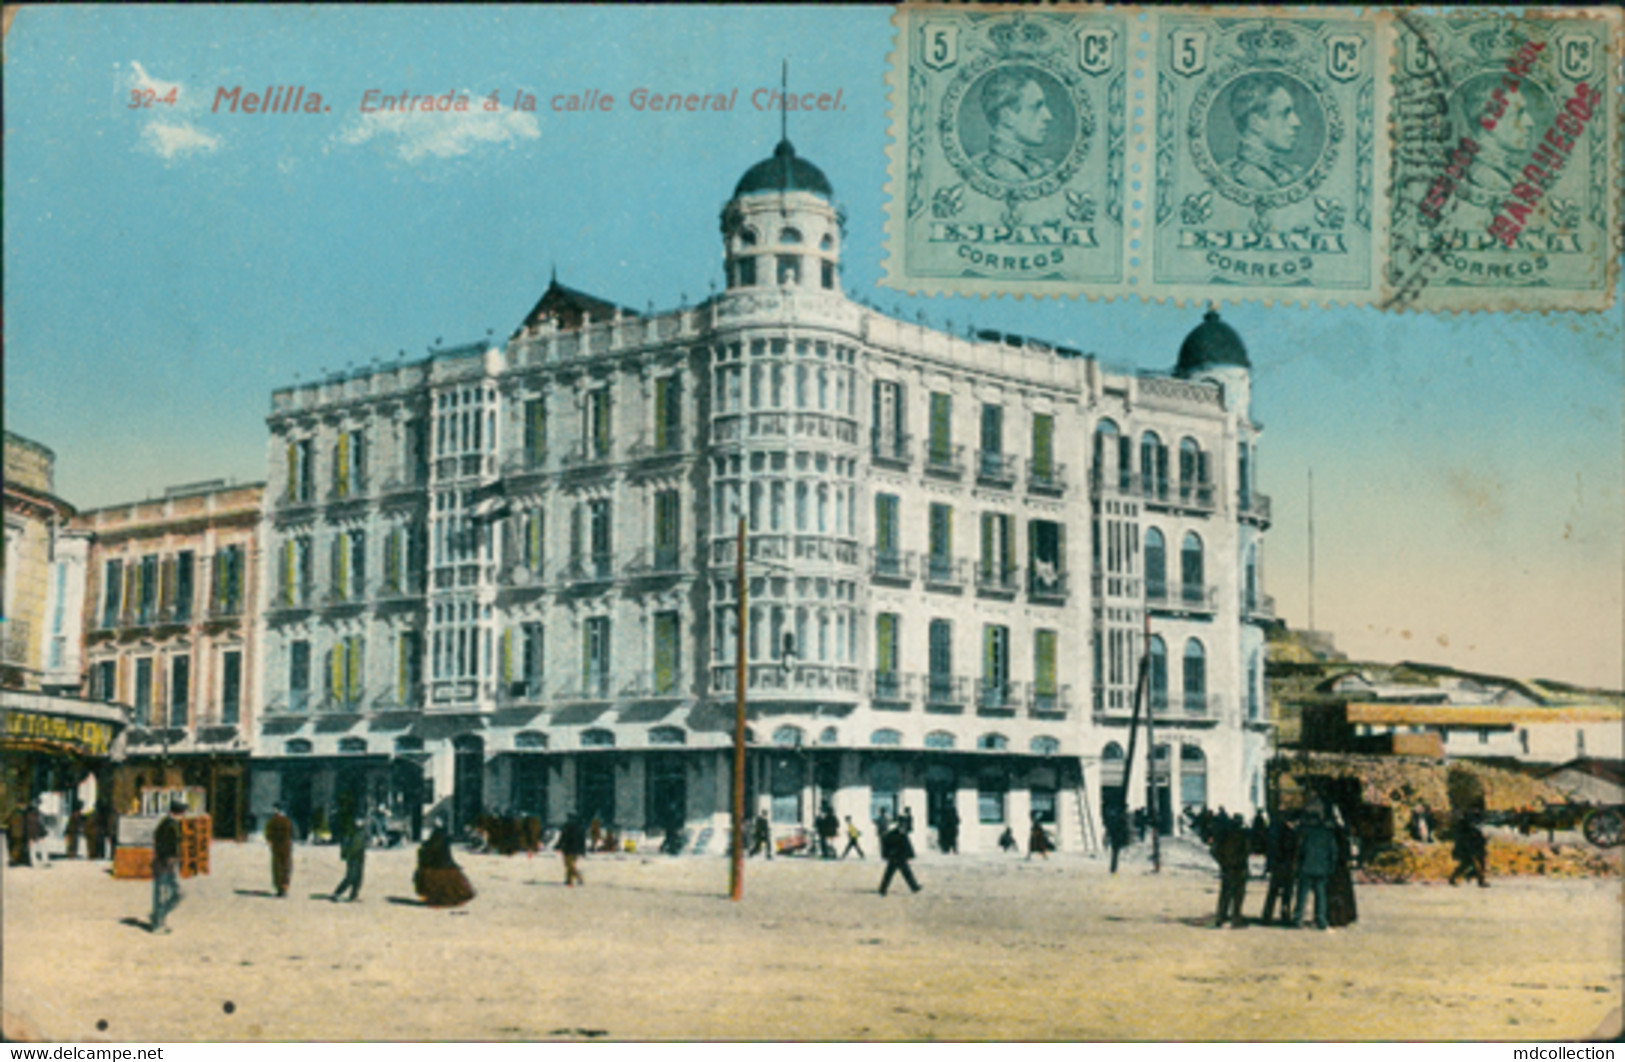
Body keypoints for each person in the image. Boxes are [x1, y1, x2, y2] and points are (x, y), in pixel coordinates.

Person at [976, 67, 1059, 183]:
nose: (1048, 116)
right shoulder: (986, 170)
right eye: (1036, 107)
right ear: (1007, 116)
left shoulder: (1042, 165)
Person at [1224, 73, 1304, 190]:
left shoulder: (1293, 174)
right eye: (1285, 113)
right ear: (1256, 123)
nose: (1296, 122)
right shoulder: (1233, 177)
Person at [1291, 807, 1338, 931]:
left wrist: (1298, 867)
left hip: (1306, 867)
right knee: (1321, 895)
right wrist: (1331, 867)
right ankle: (1321, 919)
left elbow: (1301, 851)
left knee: (1302, 894)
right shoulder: (1327, 834)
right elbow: (1333, 852)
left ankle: (1298, 918)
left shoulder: (1306, 833)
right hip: (1322, 868)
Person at [414, 823, 475, 907]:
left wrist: (424, 849)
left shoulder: (438, 838)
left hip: (438, 865)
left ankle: (440, 899)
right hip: (445, 864)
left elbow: (432, 849)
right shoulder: (444, 838)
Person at [149, 799, 186, 934]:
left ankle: (158, 917)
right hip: (164, 863)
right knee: (164, 894)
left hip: (166, 863)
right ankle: (158, 923)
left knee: (174, 893)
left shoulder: (168, 823)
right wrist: (168, 858)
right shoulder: (169, 825)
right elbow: (164, 844)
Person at [1212, 812, 1251, 928]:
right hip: (1239, 869)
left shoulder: (1224, 834)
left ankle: (1221, 918)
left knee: (1225, 894)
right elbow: (1247, 851)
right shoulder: (1243, 835)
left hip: (1227, 869)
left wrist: (1222, 863)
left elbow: (1214, 850)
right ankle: (1236, 919)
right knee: (1238, 895)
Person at [1261, 811, 1298, 926]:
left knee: (1273, 892)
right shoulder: (1291, 834)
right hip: (1287, 867)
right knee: (1287, 894)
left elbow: (1271, 850)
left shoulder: (1275, 832)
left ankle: (1267, 915)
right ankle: (1285, 915)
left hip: (1277, 866)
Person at [878, 824, 921, 896]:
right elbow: (906, 846)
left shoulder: (895, 835)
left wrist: (887, 856)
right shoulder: (896, 835)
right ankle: (914, 887)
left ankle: (882, 889)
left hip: (896, 857)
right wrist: (909, 855)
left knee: (890, 874)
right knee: (905, 873)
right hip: (898, 857)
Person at [1449, 813, 1490, 888]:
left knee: (1468, 864)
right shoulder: (1467, 827)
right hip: (1471, 848)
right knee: (1477, 864)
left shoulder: (1467, 825)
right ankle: (1481, 881)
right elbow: (1470, 838)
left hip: (1472, 848)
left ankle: (1453, 878)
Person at [331, 818, 367, 902]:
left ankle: (354, 895)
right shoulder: (349, 829)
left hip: (360, 851)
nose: (360, 822)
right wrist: (345, 853)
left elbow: (364, 838)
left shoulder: (362, 830)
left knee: (359, 876)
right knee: (350, 876)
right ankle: (337, 893)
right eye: (358, 820)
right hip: (352, 853)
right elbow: (344, 842)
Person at [264, 804, 294, 897]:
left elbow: (268, 834)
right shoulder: (287, 821)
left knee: (278, 867)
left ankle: (279, 887)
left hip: (277, 847)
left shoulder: (272, 821)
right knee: (285, 866)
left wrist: (270, 841)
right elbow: (291, 834)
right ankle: (284, 887)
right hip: (286, 846)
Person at [558, 814, 587, 887]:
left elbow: (582, 840)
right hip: (568, 848)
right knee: (568, 864)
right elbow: (562, 838)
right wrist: (558, 846)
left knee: (570, 864)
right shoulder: (567, 827)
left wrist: (582, 850)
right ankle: (573, 878)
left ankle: (571, 879)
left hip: (573, 848)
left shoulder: (578, 828)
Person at [25, 801, 47, 868]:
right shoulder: (36, 815)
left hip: (33, 833)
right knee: (40, 847)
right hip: (36, 833)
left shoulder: (28, 815)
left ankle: (35, 861)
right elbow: (39, 824)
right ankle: (43, 860)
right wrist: (43, 832)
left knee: (33, 848)